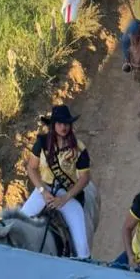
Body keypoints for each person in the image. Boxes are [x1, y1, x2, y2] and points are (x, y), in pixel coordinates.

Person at [21, 105, 92, 259]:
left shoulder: (79, 148)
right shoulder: (41, 143)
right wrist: (43, 192)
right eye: (59, 123)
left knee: (82, 249)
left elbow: (85, 178)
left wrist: (64, 199)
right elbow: (32, 169)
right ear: (53, 125)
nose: (63, 127)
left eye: (66, 123)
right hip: (44, 190)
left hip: (68, 195)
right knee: (18, 224)